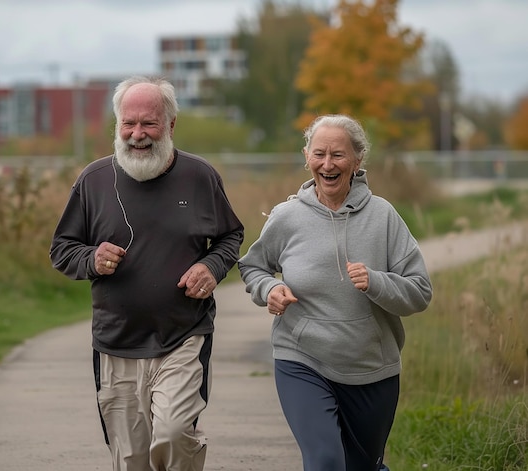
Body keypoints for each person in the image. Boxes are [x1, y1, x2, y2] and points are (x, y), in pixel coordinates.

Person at [49, 76, 244, 471]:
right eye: (128, 123)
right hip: (115, 341)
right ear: (117, 125)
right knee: (132, 460)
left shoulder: (200, 177)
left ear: (170, 125)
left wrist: (211, 266)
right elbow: (62, 249)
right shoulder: (94, 181)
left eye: (149, 124)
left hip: (183, 335)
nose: (138, 134)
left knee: (174, 434)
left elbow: (230, 235)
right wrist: (91, 258)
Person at [238, 114, 432, 471]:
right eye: (319, 154)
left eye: (338, 155)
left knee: (362, 466)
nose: (327, 164)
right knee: (325, 461)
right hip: (302, 358)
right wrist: (271, 288)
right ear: (306, 156)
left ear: (358, 161)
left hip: (371, 367)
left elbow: (420, 291)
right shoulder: (287, 216)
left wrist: (377, 282)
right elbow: (252, 266)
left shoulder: (384, 217)